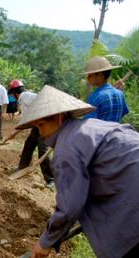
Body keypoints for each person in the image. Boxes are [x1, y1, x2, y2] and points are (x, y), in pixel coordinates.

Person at [16, 85, 139, 258]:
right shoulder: (90, 126)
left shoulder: (66, 149)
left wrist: (45, 242)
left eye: (42, 125)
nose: (40, 132)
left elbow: (69, 207)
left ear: (59, 118)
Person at [8, 79, 54, 187]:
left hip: (45, 124)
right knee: (29, 143)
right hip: (37, 123)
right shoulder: (26, 97)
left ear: (15, 93)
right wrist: (15, 133)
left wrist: (14, 133)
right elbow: (27, 120)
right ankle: (22, 167)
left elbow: (25, 120)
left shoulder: (24, 97)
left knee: (42, 150)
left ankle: (50, 179)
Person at [82, 56, 129, 122]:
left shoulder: (94, 97)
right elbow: (123, 112)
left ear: (100, 75)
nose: (88, 78)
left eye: (90, 75)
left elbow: (88, 125)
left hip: (100, 132)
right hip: (115, 131)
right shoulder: (120, 94)